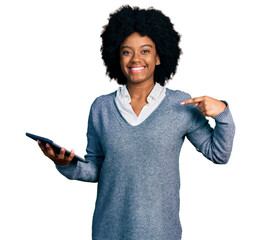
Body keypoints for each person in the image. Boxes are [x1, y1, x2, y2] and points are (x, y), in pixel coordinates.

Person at [37, 5, 235, 240]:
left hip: (161, 233)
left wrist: (222, 114)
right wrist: (65, 163)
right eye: (127, 52)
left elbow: (219, 154)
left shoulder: (180, 104)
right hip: (109, 232)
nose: (136, 59)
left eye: (145, 50)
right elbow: (96, 169)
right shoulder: (101, 108)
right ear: (117, 57)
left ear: (159, 56)